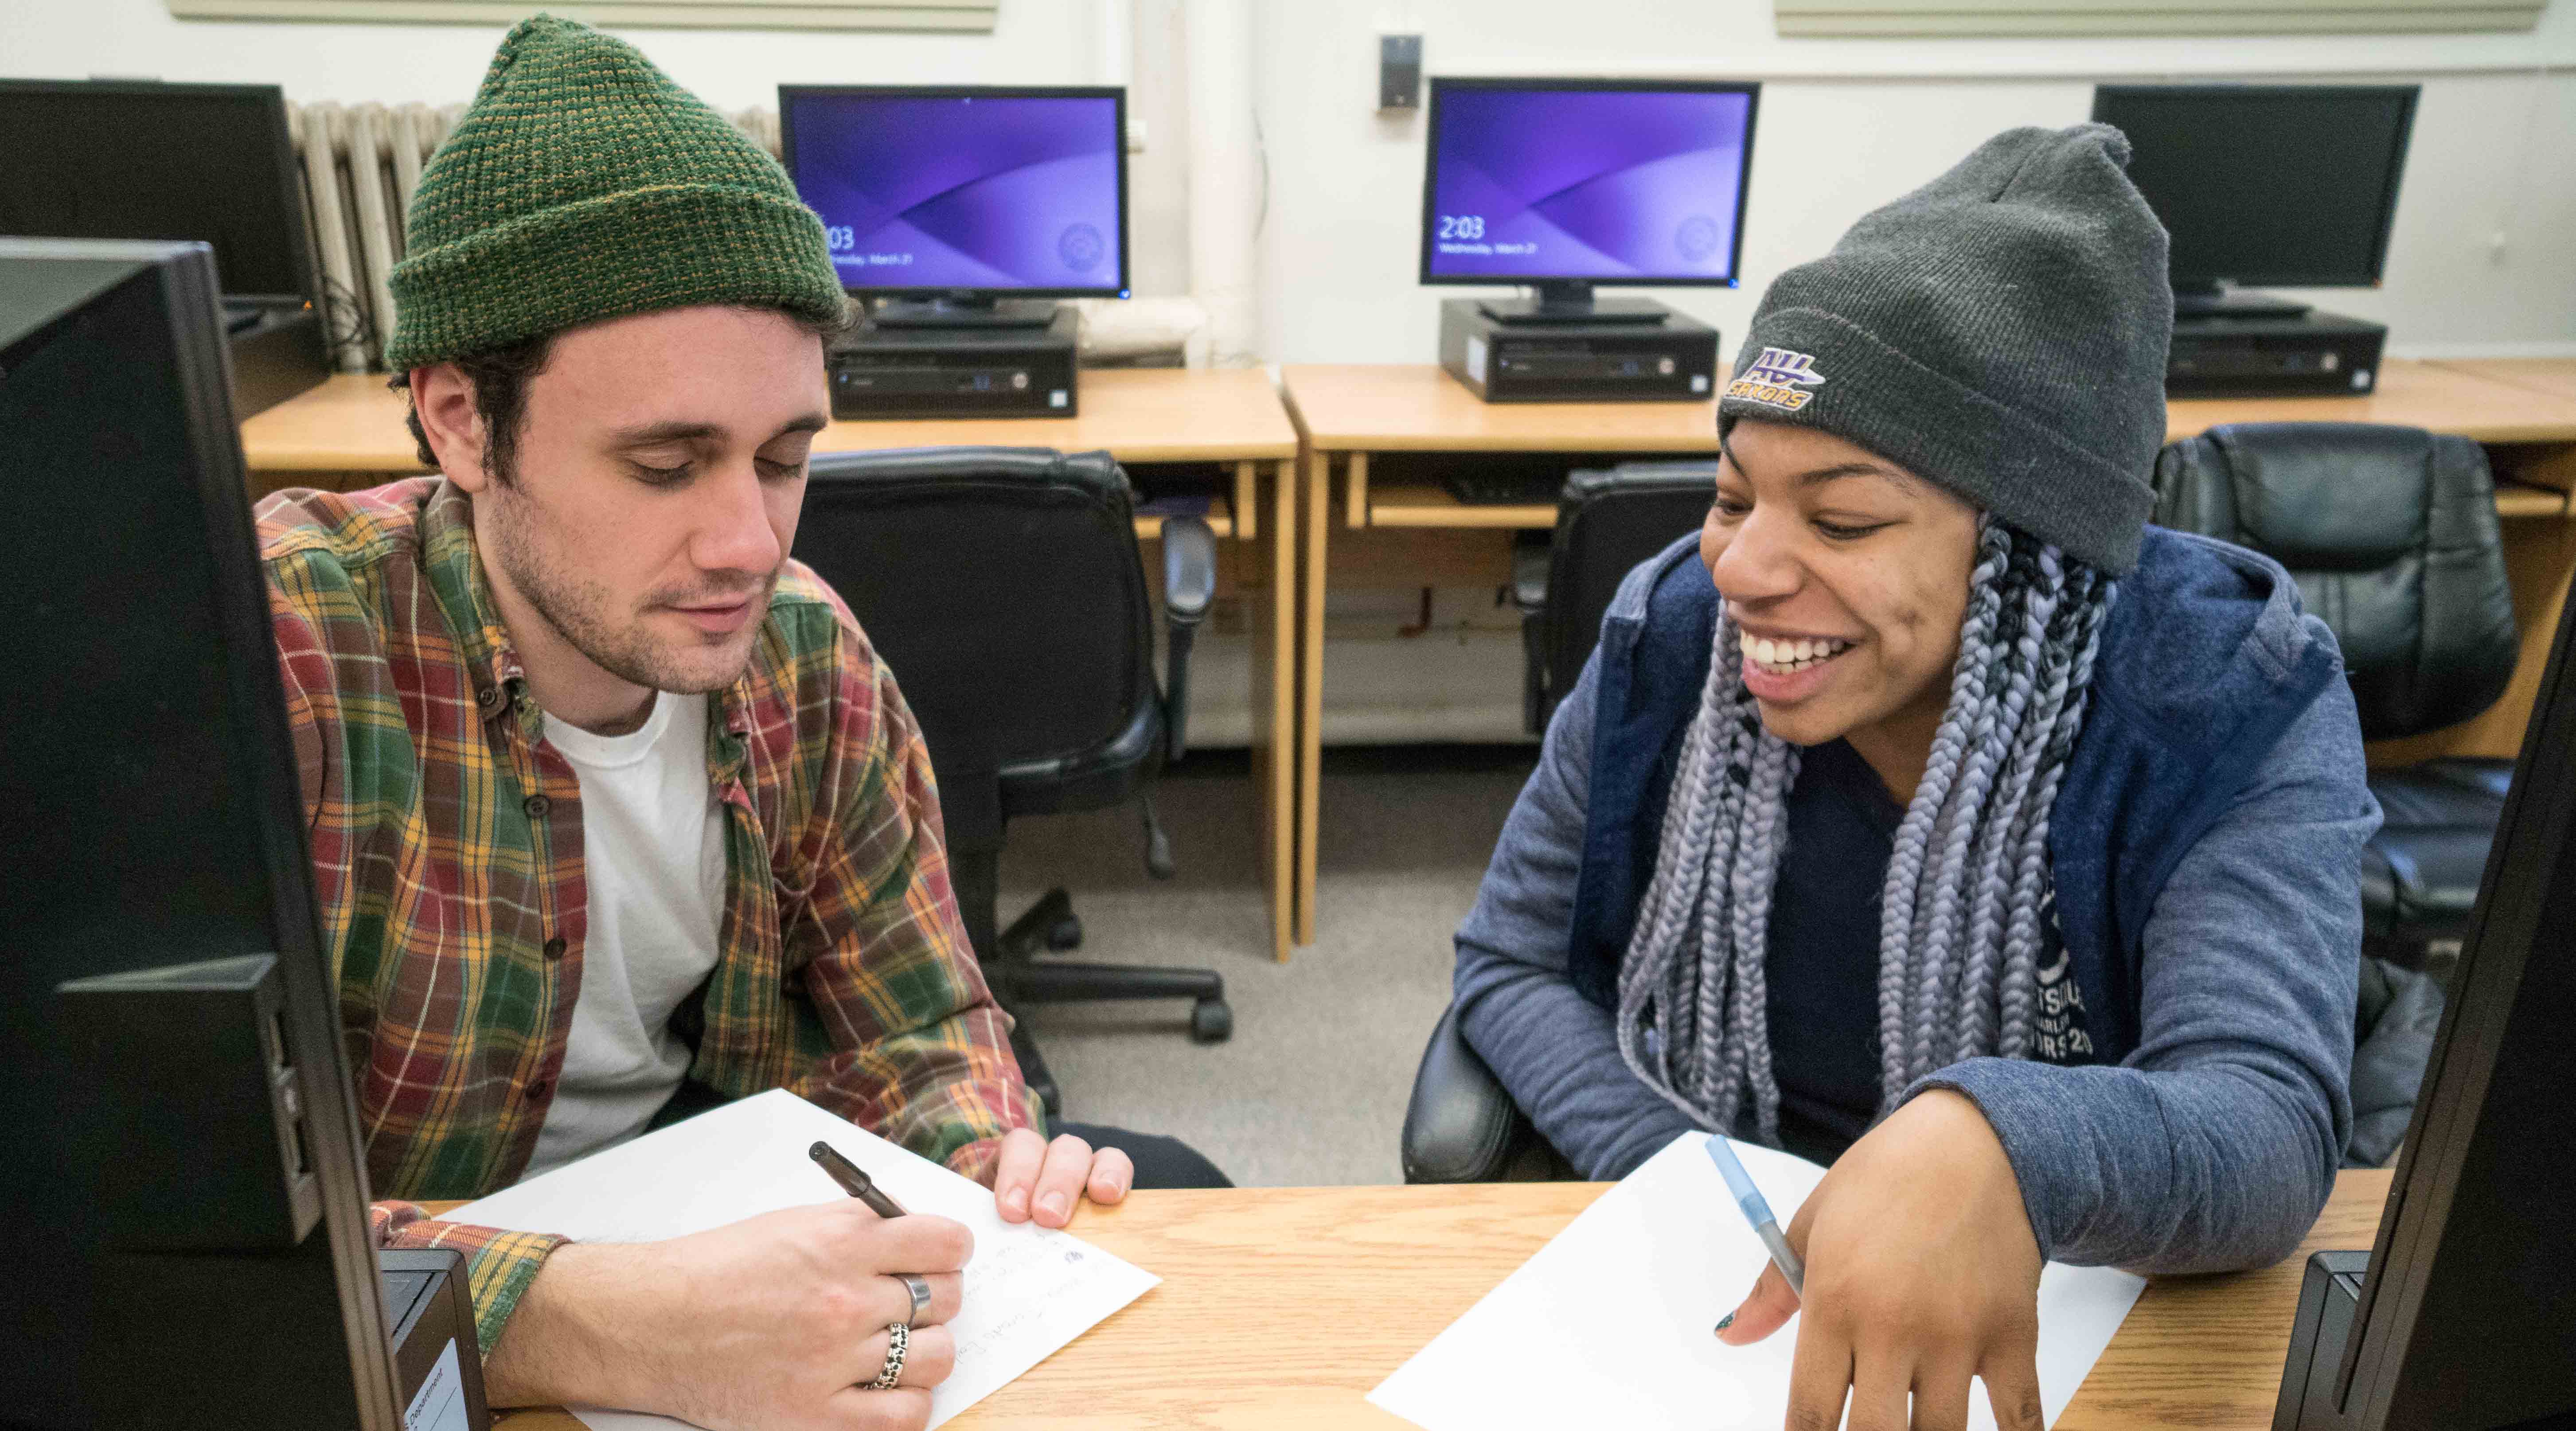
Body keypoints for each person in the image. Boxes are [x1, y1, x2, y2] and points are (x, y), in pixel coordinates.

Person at [258, 17, 1223, 1429]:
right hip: (435, 1280)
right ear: (461, 422)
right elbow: (155, 1236)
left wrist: (989, 1154)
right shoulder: (284, 664)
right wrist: (576, 1323)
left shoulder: (802, 650)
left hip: (711, 1208)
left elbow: (920, 1022)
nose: (743, 543)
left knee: (1177, 1215)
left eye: (783, 459)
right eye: (666, 464)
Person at [1452, 125, 2377, 1431]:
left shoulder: (2226, 692)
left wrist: (1999, 1140)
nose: (1742, 569)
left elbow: (2265, 1120)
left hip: (2063, 1304)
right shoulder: (1668, 633)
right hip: (1710, 1297)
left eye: (1839, 520)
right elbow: (1513, 962)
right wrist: (1712, 1191)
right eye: (1731, 497)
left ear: (2027, 552)